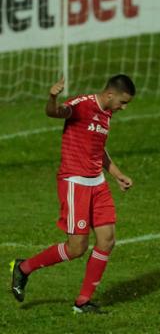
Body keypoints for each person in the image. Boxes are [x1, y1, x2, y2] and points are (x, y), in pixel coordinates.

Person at [10, 74, 136, 314]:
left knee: (107, 240)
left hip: (97, 183)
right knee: (77, 248)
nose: (124, 107)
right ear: (110, 95)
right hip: (74, 183)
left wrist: (117, 174)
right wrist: (52, 97)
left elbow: (98, 149)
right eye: (123, 102)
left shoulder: (107, 113)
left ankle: (83, 301)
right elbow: (54, 113)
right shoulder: (82, 105)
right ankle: (23, 268)